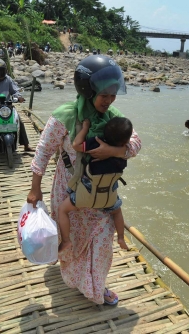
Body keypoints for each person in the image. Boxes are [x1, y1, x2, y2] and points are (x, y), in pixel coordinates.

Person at [27, 55, 141, 305]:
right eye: (104, 96)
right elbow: (44, 151)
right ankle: (77, 278)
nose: (109, 101)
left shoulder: (113, 115)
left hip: (101, 192)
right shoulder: (64, 116)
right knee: (72, 242)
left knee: (102, 243)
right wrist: (35, 189)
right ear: (87, 90)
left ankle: (96, 287)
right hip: (69, 191)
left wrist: (111, 152)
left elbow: (135, 143)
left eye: (113, 96)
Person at [58, 116, 132, 254]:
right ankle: (121, 238)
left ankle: (66, 240)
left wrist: (85, 128)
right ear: (127, 140)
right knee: (117, 211)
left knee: (63, 209)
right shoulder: (124, 152)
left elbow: (76, 145)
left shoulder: (97, 143)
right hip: (109, 193)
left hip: (88, 191)